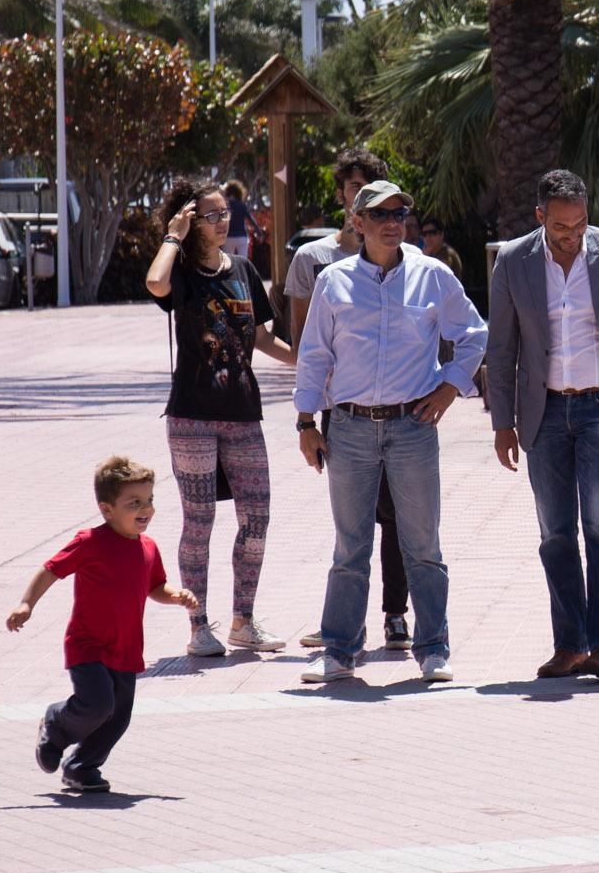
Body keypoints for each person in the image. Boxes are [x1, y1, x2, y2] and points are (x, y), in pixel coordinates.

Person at [294, 180, 488, 684]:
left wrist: (449, 390)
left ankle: (433, 647)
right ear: (357, 222)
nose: (392, 221)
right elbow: (315, 354)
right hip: (350, 428)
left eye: (400, 212)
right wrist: (306, 421)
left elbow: (473, 335)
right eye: (379, 213)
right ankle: (339, 649)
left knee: (422, 543)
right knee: (350, 545)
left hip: (413, 427)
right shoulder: (333, 282)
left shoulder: (433, 276)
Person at [487, 170, 599, 681]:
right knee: (555, 532)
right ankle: (570, 644)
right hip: (543, 411)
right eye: (562, 227)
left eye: (580, 223)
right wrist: (502, 422)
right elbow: (501, 348)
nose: (572, 235)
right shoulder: (514, 261)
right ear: (540, 217)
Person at [145, 178, 296, 657]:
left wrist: (307, 361)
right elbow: (155, 283)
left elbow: (262, 338)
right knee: (200, 520)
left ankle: (243, 621)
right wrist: (172, 236)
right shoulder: (183, 273)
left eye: (223, 212)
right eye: (208, 215)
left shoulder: (244, 270)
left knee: (257, 517)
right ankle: (198, 625)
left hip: (242, 413)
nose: (220, 221)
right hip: (192, 414)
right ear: (190, 221)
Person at [285, 148, 415, 654]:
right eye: (352, 186)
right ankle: (343, 624)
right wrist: (306, 417)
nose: (382, 218)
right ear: (345, 197)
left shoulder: (406, 257)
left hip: (399, 408)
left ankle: (395, 613)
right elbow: (305, 345)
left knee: (398, 516)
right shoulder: (315, 260)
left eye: (386, 204)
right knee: (351, 522)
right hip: (342, 408)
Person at [6, 457, 201, 793]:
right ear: (107, 509)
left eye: (150, 500)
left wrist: (176, 596)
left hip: (126, 648)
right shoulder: (89, 542)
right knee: (98, 704)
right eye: (134, 503)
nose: (146, 509)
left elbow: (155, 586)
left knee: (117, 718)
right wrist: (27, 603)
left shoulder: (149, 547)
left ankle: (81, 767)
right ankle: (55, 724)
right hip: (88, 645)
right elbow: (51, 569)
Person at [221, 180, 261, 260]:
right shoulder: (242, 205)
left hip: (228, 237)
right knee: (243, 261)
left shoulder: (226, 206)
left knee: (227, 261)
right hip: (241, 236)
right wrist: (259, 231)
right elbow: (251, 219)